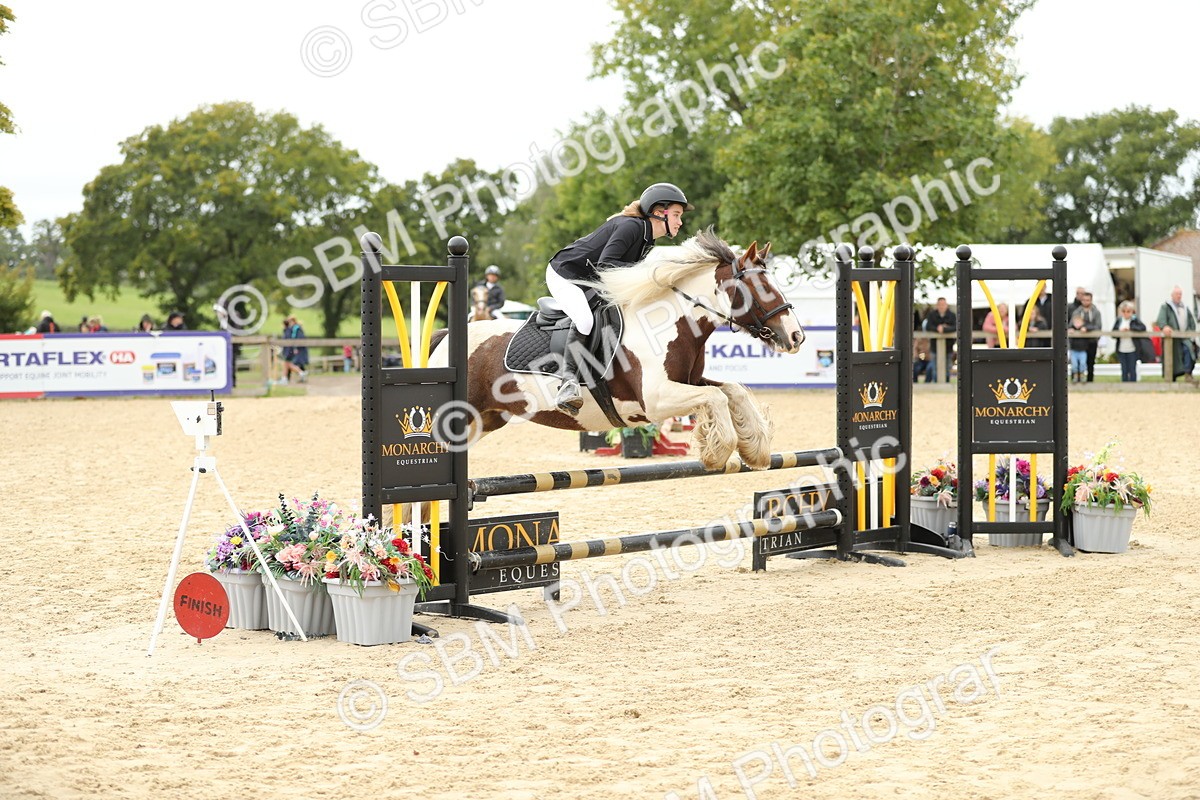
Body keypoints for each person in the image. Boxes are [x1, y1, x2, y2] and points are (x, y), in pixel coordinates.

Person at [546, 182, 692, 413]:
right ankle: (568, 382)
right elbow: (606, 264)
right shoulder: (631, 227)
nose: (680, 222)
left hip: (590, 278)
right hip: (565, 273)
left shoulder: (647, 239)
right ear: (658, 212)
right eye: (676, 215)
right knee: (585, 320)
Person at [1155, 285, 1197, 383]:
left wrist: (1190, 333)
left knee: (1189, 353)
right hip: (1172, 339)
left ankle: (1188, 374)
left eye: (1180, 294)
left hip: (1184, 338)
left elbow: (1192, 323)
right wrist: (1165, 326)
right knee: (1172, 359)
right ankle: (1171, 378)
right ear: (1172, 295)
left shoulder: (1185, 308)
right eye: (1177, 294)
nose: (1179, 296)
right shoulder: (1166, 307)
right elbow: (1161, 320)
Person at [1112, 301, 1149, 382]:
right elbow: (1113, 333)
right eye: (1124, 311)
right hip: (1121, 348)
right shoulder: (1119, 321)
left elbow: (1143, 328)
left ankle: (1133, 386)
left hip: (1132, 349)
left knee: (1132, 369)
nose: (1126, 313)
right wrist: (1119, 331)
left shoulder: (1135, 320)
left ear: (1132, 312)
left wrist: (1131, 329)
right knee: (1124, 369)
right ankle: (1124, 386)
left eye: (1128, 311)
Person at [922, 296, 956, 382]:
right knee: (935, 367)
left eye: (943, 304)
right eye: (940, 304)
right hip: (934, 346)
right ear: (937, 305)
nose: (942, 306)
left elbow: (956, 327)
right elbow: (928, 326)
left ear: (946, 305)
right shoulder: (932, 315)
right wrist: (938, 328)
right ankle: (936, 383)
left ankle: (947, 383)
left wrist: (944, 329)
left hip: (948, 346)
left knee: (948, 367)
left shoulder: (952, 315)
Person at [1073, 292, 1102, 381]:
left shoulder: (1096, 312)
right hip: (1079, 342)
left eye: (1088, 300)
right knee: (1076, 363)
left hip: (1092, 341)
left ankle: (1090, 381)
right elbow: (1071, 324)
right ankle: (1076, 382)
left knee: (1090, 362)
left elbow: (1098, 326)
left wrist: (1086, 328)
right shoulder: (1077, 312)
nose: (1086, 302)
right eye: (1084, 300)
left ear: (1091, 300)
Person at [282, 316, 309, 383]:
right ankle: (288, 377)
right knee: (290, 364)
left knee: (290, 364)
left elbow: (298, 339)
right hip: (294, 349)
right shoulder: (292, 329)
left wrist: (296, 347)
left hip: (298, 350)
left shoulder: (296, 329)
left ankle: (301, 373)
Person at [1069, 308, 1089, 383]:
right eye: (1076, 322)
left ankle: (1082, 376)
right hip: (1074, 350)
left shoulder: (1084, 329)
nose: (1077, 324)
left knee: (1083, 364)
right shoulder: (1071, 329)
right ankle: (1075, 377)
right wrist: (1070, 331)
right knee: (1074, 365)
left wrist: (1085, 329)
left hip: (1082, 350)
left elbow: (1091, 328)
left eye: (1079, 322)